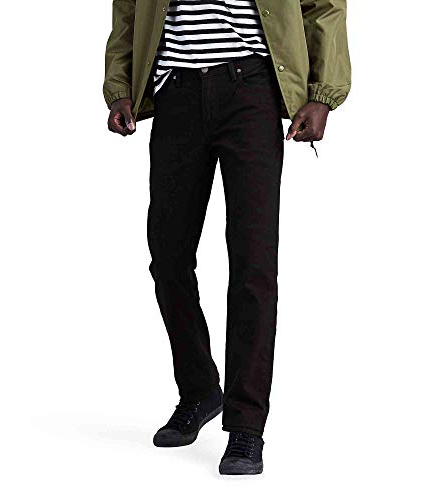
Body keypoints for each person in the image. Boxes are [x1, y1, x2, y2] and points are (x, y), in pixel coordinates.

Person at [104, 0, 351, 475]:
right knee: (168, 257)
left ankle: (246, 424)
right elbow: (128, 10)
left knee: (253, 263)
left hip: (251, 88)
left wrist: (323, 94)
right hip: (175, 90)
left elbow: (324, 6)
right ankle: (199, 391)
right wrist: (120, 87)